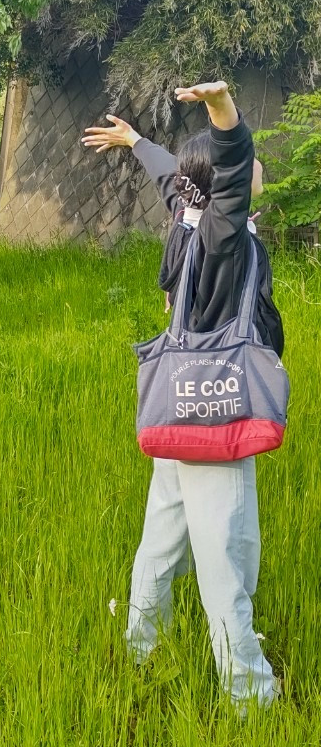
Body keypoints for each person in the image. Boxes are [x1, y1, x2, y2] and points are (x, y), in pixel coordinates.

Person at [82, 81, 284, 710]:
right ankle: (249, 692)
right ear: (225, 179)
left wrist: (136, 141)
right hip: (218, 410)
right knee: (223, 554)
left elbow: (178, 175)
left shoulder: (188, 218)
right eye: (248, 167)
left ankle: (142, 647)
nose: (258, 169)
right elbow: (224, 157)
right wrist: (223, 109)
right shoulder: (222, 237)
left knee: (163, 536)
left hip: (180, 408)